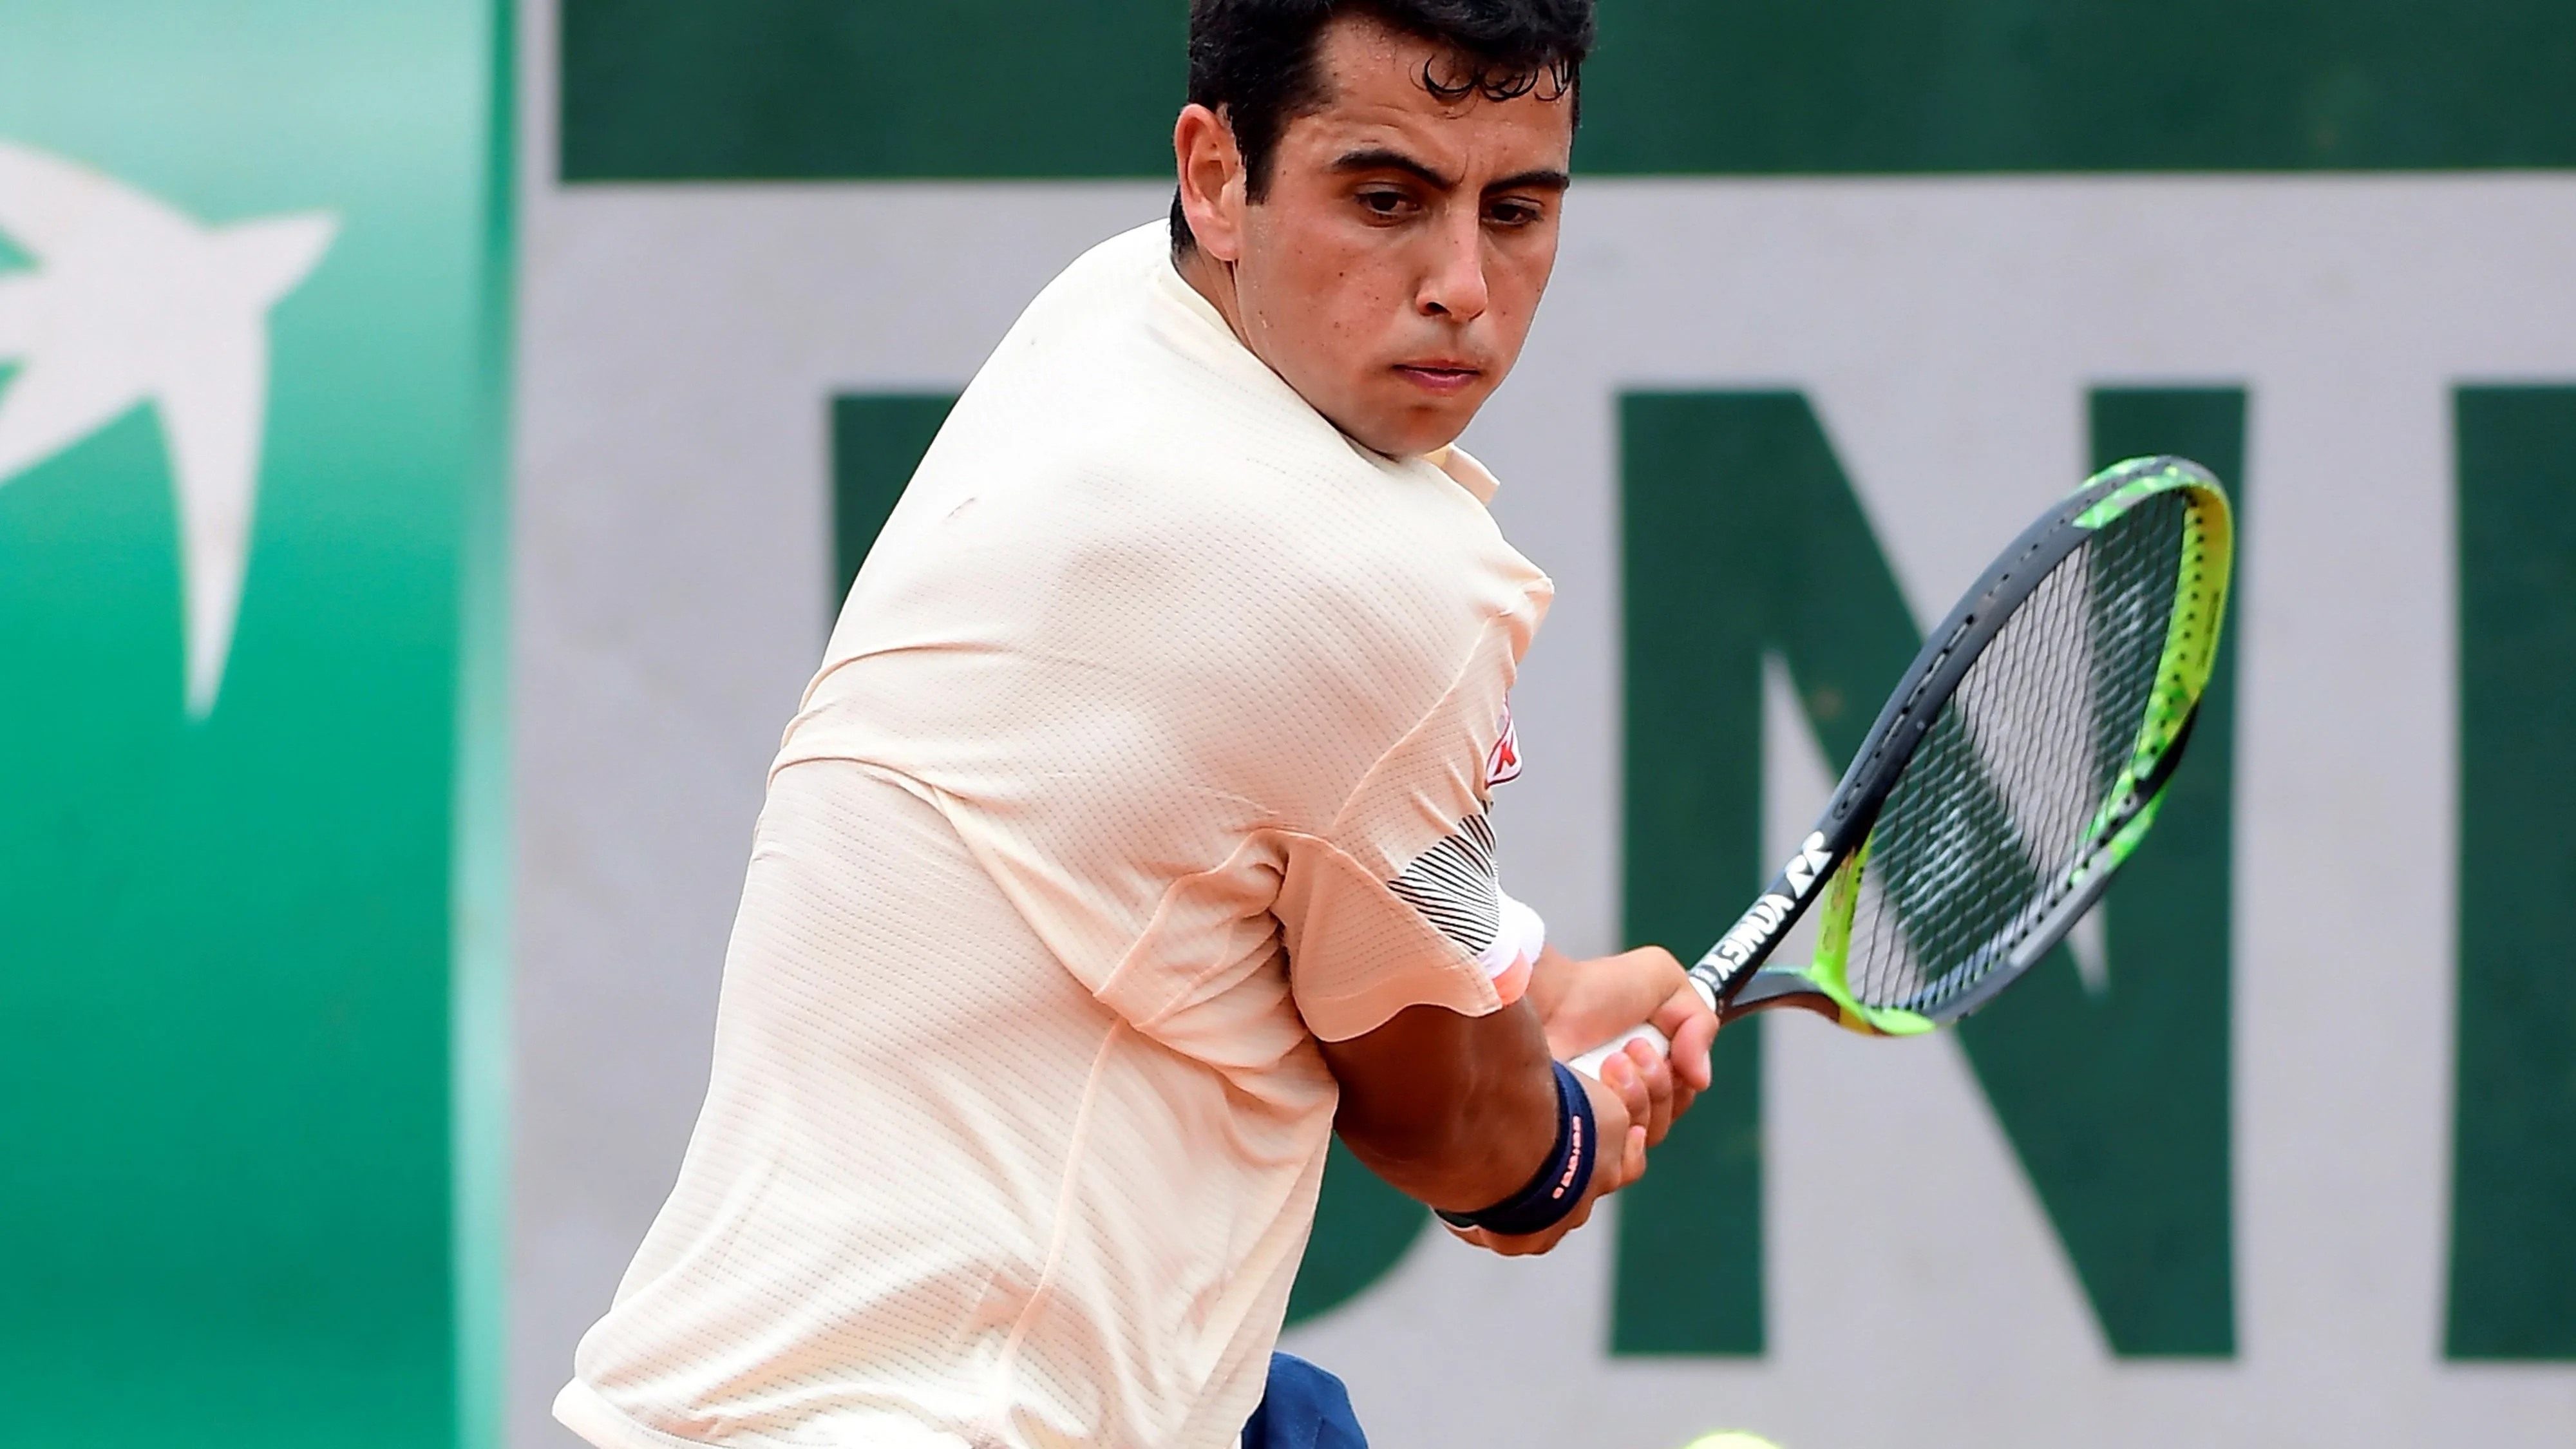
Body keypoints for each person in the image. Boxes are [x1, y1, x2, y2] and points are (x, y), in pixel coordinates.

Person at [552, 3, 1719, 1446]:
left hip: (722, 1412)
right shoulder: (1370, 585)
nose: (1463, 287)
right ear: (1217, 174)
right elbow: (1459, 1133)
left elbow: (1220, 849)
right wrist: (1570, 1140)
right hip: (955, 1423)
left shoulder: (1111, 318)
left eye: (1518, 209)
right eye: (1385, 199)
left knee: (1279, 1417)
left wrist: (1537, 982)